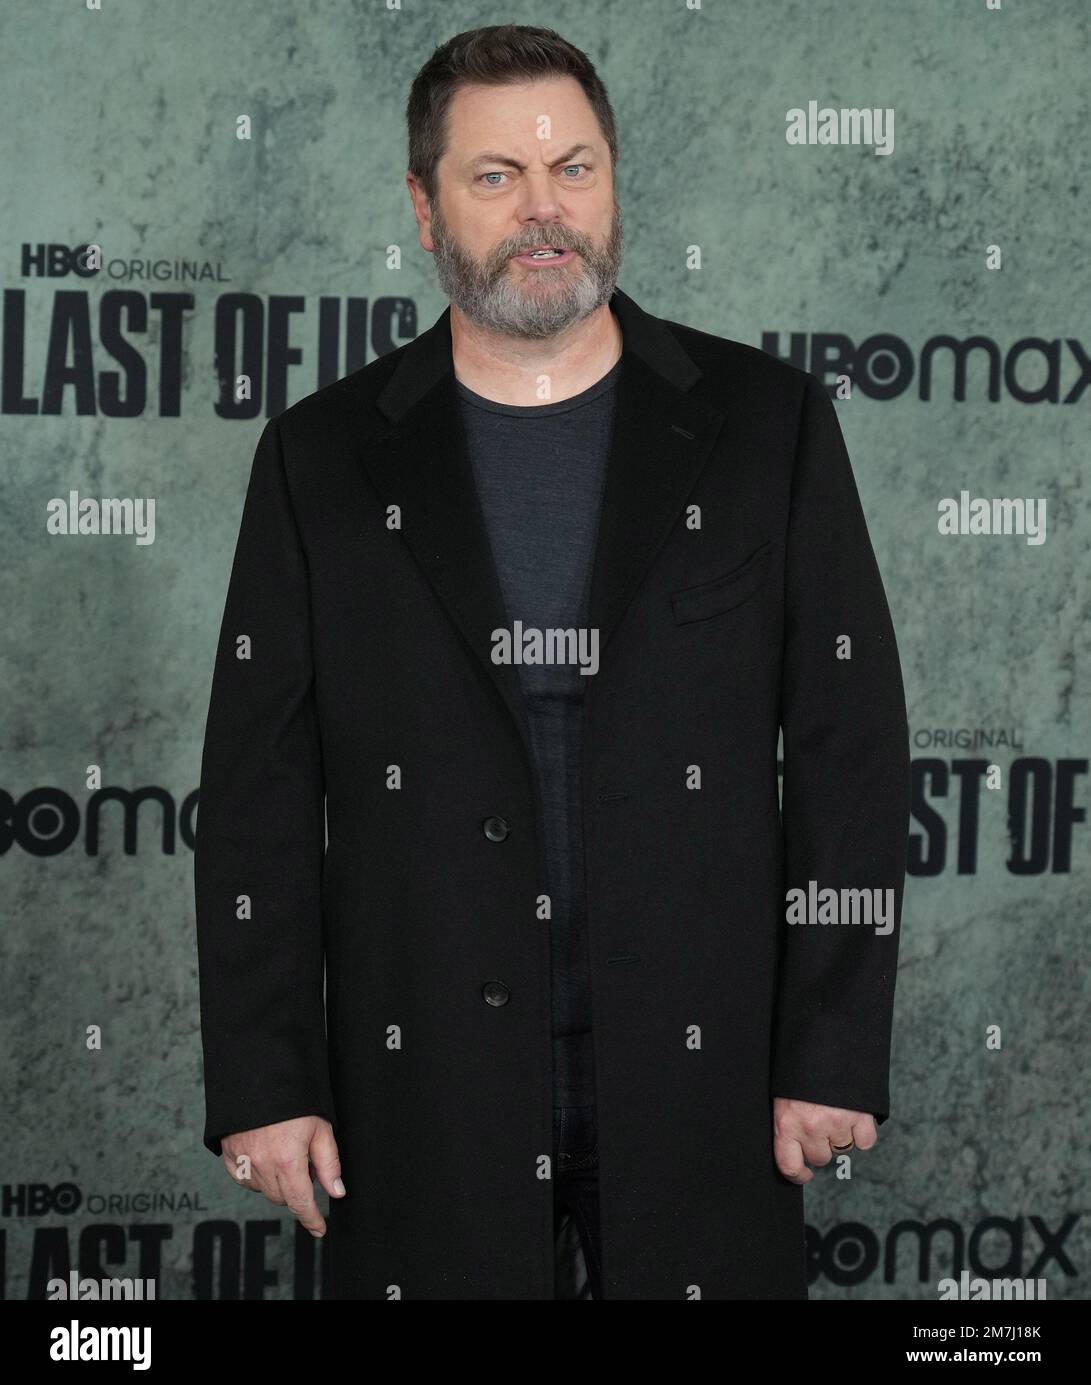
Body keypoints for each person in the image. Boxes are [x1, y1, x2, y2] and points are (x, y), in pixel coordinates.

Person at [194, 24, 910, 1301]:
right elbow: (253, 797)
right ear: (422, 208)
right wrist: (265, 1083)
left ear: (615, 183)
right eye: (494, 177)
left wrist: (832, 1046)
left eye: (573, 169)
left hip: (708, 1077)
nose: (544, 212)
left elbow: (852, 749)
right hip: (419, 1090)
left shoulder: (766, 426)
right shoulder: (318, 460)